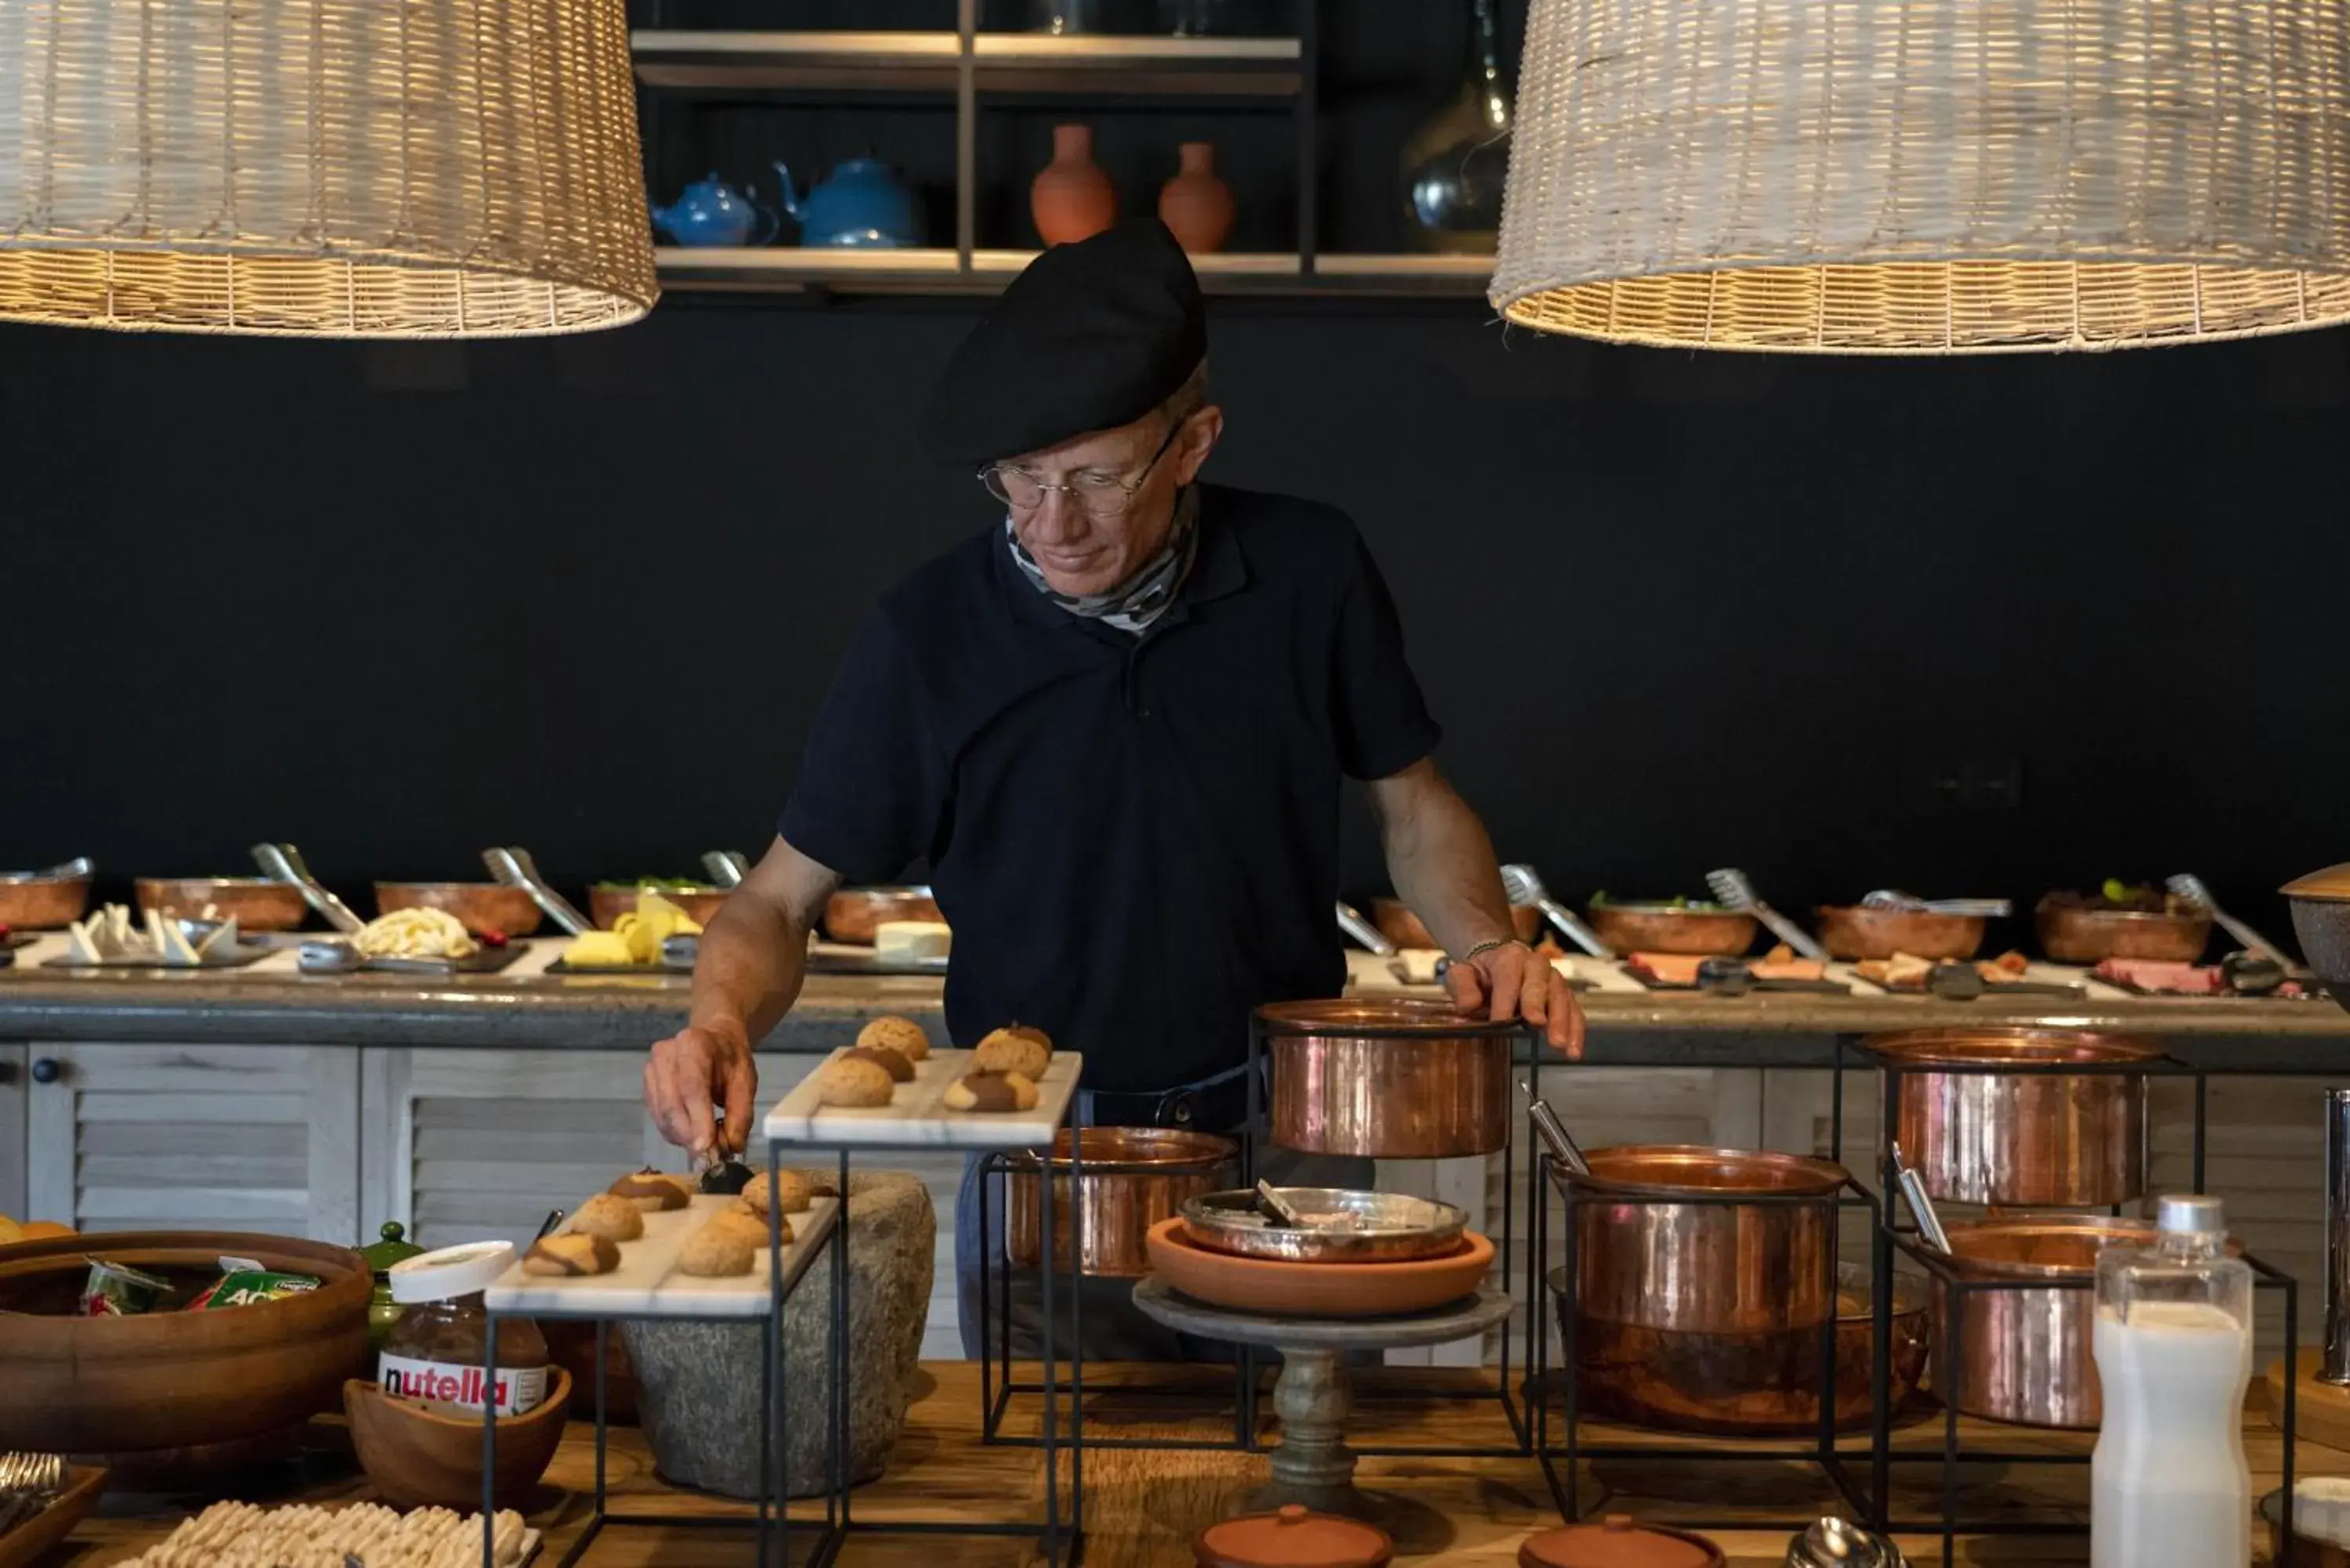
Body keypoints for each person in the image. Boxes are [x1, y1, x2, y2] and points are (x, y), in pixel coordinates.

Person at [644, 219, 1582, 1357]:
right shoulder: (927, 635)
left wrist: (1484, 942)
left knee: (1307, 1479)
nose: (1053, 524)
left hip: (1285, 1136)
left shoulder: (1308, 570)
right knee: (1054, 1497)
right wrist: (716, 1019)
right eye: (1021, 480)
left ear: (1193, 444)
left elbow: (1416, 804)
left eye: (1093, 475)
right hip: (1045, 1148)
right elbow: (777, 902)